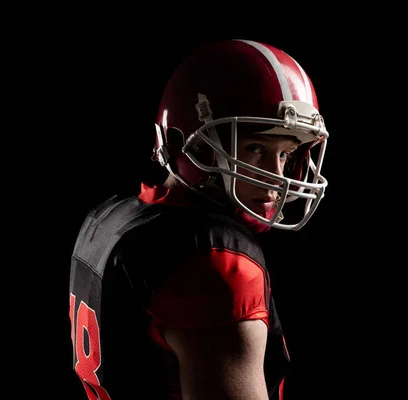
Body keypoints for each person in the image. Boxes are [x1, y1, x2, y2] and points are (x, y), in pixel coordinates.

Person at [68, 38, 329, 400]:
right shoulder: (217, 263)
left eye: (285, 155)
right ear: (199, 142)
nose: (277, 176)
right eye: (256, 148)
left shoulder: (110, 217)